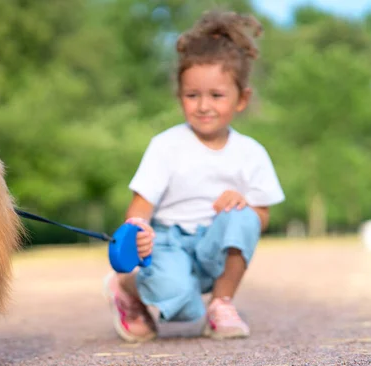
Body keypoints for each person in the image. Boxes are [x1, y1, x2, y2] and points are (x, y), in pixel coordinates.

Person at [103, 10, 285, 342]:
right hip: (168, 244)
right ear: (180, 96)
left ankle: (222, 304)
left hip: (213, 247)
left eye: (216, 95)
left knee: (242, 217)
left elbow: (261, 218)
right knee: (186, 312)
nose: (203, 105)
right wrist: (139, 230)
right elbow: (140, 208)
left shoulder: (251, 152)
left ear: (241, 99)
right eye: (192, 95)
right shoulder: (166, 145)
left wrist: (246, 206)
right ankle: (128, 287)